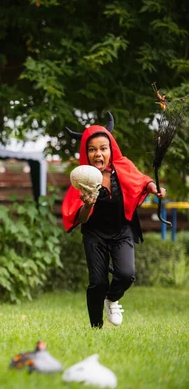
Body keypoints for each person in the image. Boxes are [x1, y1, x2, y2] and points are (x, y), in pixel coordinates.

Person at [61, 113, 166, 328]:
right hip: (94, 234)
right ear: (86, 153)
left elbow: (142, 181)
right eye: (92, 149)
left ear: (111, 149)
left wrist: (154, 189)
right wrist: (88, 203)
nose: (98, 153)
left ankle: (112, 298)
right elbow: (81, 217)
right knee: (97, 282)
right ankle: (96, 327)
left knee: (126, 275)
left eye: (103, 148)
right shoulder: (81, 179)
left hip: (121, 230)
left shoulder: (123, 166)